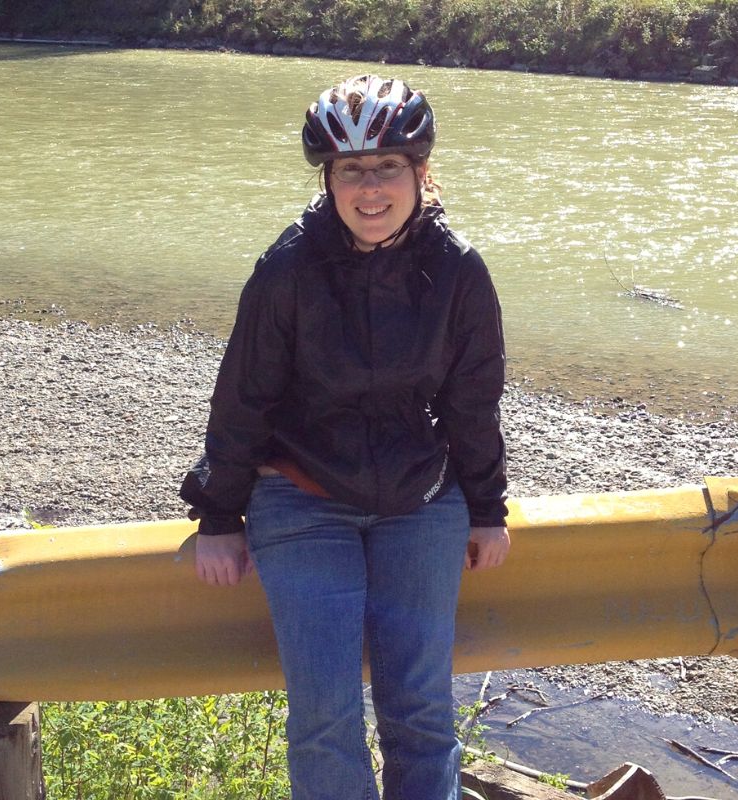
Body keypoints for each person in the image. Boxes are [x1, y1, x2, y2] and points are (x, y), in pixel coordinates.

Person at [180, 74, 510, 800]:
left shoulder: (458, 271)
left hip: (422, 504)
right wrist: (218, 515)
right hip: (302, 502)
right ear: (328, 179)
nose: (370, 189)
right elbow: (244, 399)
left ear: (422, 172)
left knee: (420, 711)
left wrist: (488, 507)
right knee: (324, 715)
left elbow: (472, 401)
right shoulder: (288, 268)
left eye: (388, 167)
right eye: (351, 170)